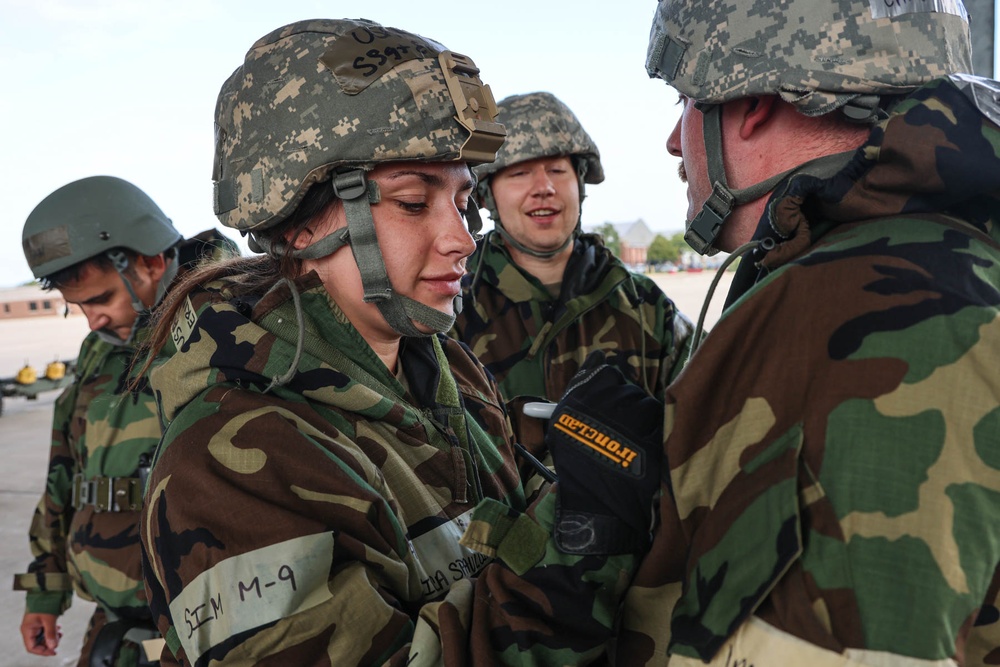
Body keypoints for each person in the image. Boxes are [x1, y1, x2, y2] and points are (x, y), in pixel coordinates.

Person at [138, 18, 662, 666]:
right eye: (414, 202)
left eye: (464, 200)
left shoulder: (446, 372)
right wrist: (586, 537)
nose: (463, 238)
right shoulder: (228, 462)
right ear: (301, 224)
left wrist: (582, 488)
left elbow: (503, 556)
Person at [615, 0, 1000, 664]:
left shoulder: (845, 311)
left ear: (750, 101)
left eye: (685, 99)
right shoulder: (962, 261)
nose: (676, 141)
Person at [13, 175, 237, 667]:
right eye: (81, 307)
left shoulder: (235, 326)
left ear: (151, 262)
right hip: (116, 630)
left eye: (100, 299)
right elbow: (64, 474)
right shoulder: (101, 350)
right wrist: (44, 592)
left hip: (213, 635)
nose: (92, 320)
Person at [451, 91, 694, 415]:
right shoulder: (452, 303)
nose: (543, 188)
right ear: (487, 195)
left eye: (557, 170)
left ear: (579, 184)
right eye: (520, 173)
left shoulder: (644, 307)